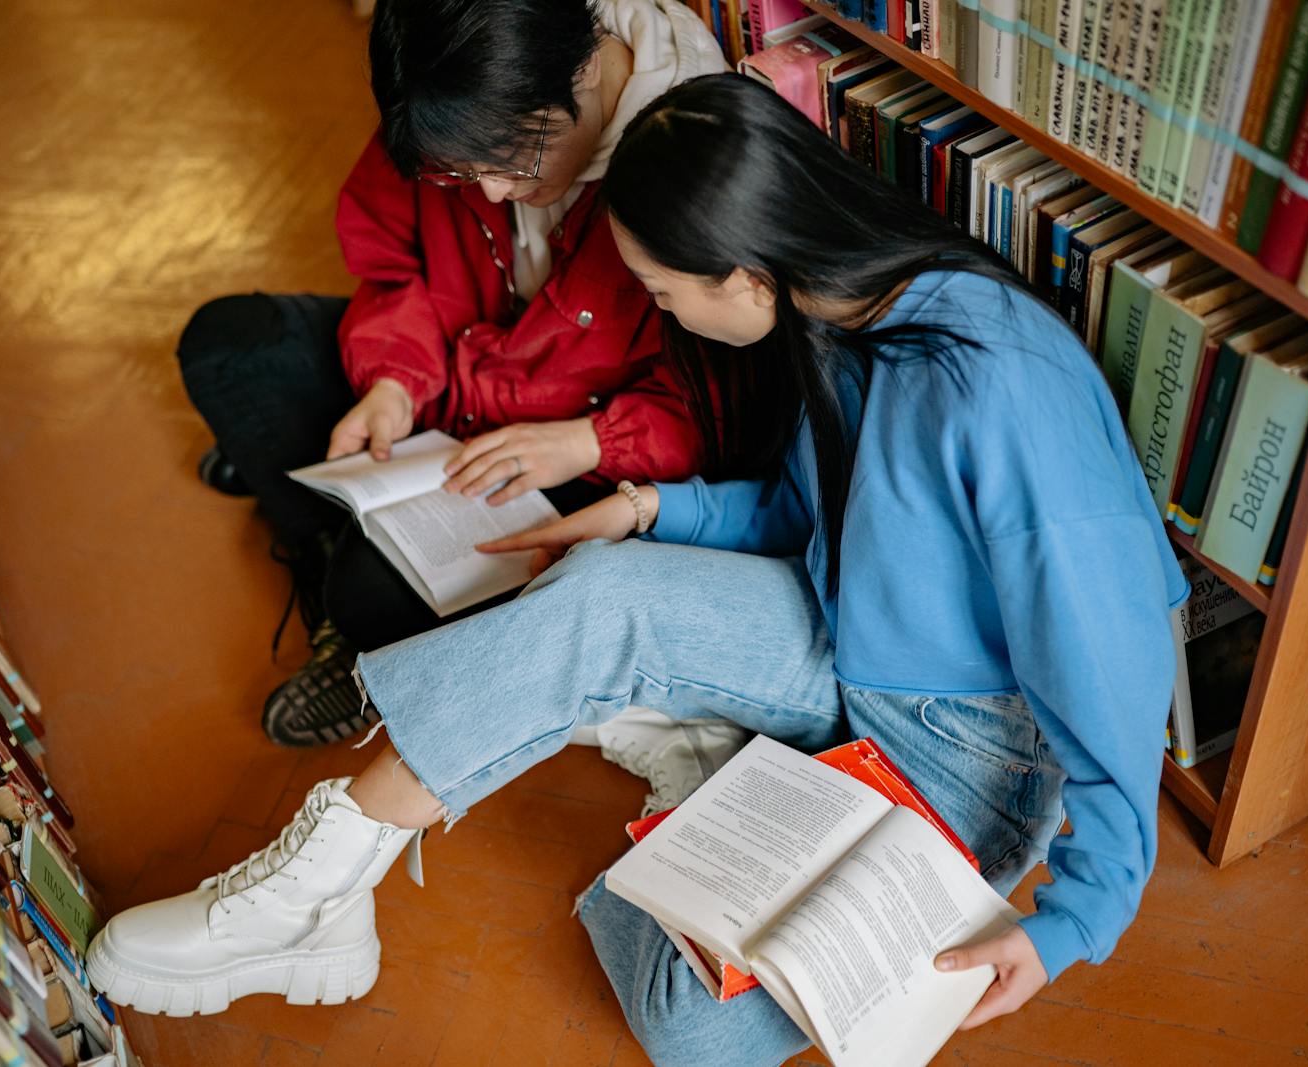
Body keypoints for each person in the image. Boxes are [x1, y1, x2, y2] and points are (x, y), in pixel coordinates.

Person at [91, 75, 1187, 1063]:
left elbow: (1114, 655)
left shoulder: (998, 384)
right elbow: (823, 517)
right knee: (605, 591)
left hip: (969, 744)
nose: (660, 312)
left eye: (662, 292)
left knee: (687, 1024)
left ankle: (739, 782)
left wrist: (1075, 919)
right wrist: (652, 508)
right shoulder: (833, 307)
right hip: (836, 635)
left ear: (742, 273)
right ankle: (312, 889)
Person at [177, 0, 724, 747]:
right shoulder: (448, 96)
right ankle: (330, 546)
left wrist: (592, 441)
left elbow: (723, 401)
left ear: (587, 68)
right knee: (228, 347)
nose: (492, 190)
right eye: (460, 171)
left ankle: (337, 578)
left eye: (514, 155)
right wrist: (393, 381)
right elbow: (393, 262)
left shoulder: (691, 160)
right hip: (450, 390)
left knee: (368, 593)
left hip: (578, 451)